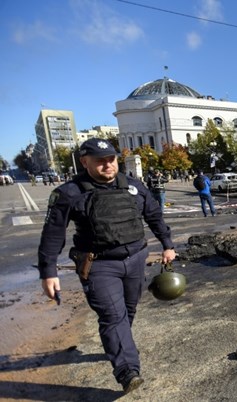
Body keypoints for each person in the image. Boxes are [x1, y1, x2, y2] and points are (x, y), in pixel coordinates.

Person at [37, 138, 175, 394]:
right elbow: (53, 233)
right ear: (84, 162)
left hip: (135, 260)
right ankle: (127, 371)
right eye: (99, 161)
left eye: (111, 159)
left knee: (128, 309)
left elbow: (154, 215)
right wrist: (48, 271)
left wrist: (167, 244)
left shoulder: (133, 186)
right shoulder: (69, 193)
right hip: (98, 265)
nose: (107, 165)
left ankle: (119, 345)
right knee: (113, 315)